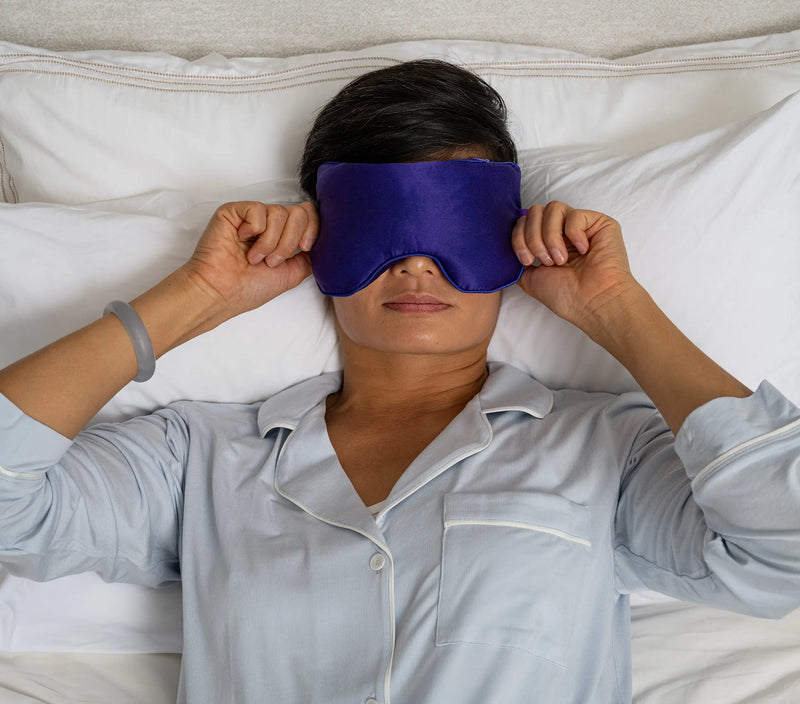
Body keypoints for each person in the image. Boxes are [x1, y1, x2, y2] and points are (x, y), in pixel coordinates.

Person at [1, 58, 799, 704]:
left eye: (456, 226)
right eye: (379, 229)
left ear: (512, 238)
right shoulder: (199, 458)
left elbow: (785, 549)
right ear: (320, 239)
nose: (417, 262)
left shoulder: (606, 451)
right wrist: (192, 298)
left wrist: (620, 312)